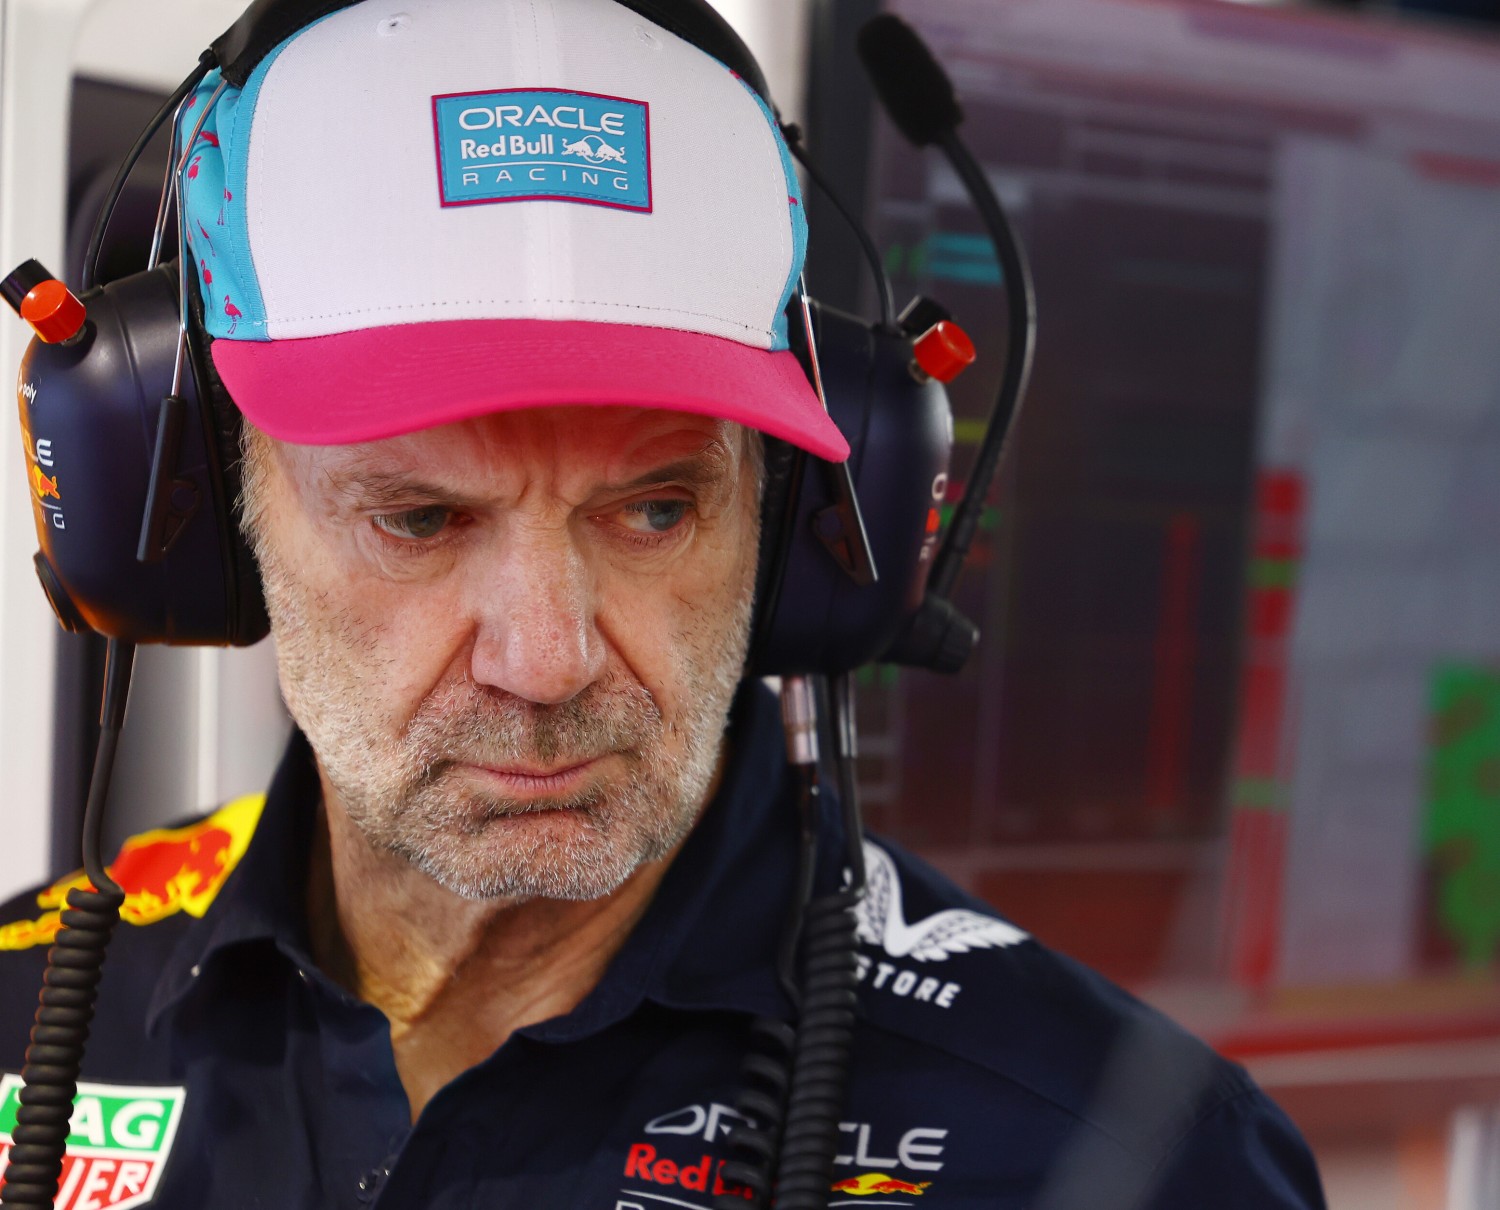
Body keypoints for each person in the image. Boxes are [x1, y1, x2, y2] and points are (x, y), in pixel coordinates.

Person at [0, 0, 1327, 1206]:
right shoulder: (26, 1012)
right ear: (180, 507)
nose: (546, 658)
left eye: (655, 510)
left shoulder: (1125, 1157)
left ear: (809, 520)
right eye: (420, 517)